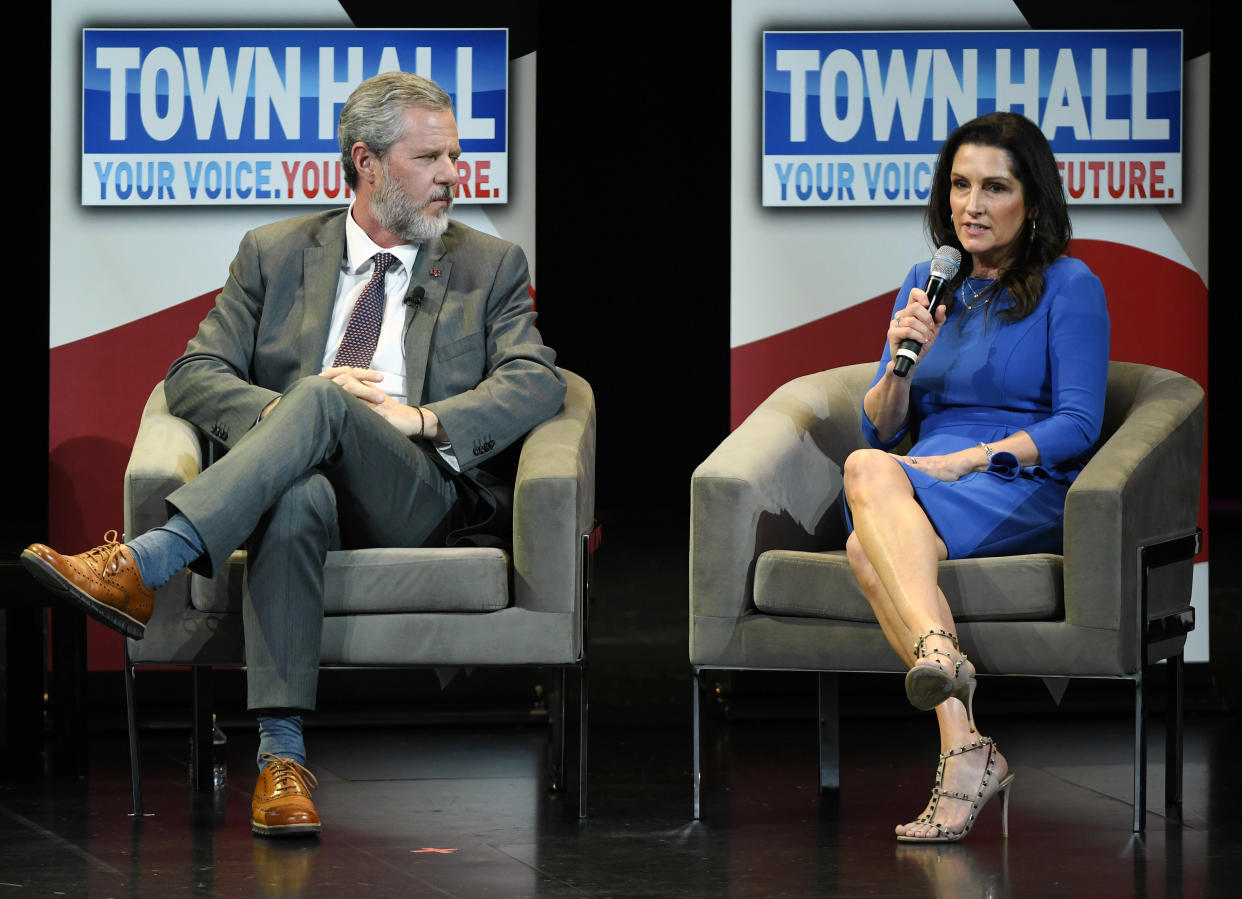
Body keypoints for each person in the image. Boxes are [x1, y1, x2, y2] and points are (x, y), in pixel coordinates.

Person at [22, 72, 566, 837]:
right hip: (293, 486)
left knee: (322, 398)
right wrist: (291, 413)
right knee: (300, 479)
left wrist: (418, 418)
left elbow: (537, 381)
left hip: (415, 496)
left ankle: (144, 564)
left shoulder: (490, 263)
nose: (453, 173)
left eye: (455, 154)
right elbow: (192, 374)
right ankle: (282, 761)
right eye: (430, 156)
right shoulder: (274, 253)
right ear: (366, 162)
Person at [842, 111, 1109, 843]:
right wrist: (902, 358)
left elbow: (1080, 423)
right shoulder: (929, 282)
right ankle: (964, 742)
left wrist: (970, 457)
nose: (971, 204)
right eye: (960, 185)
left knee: (867, 524)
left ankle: (947, 690)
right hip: (926, 475)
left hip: (1020, 479)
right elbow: (881, 424)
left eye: (994, 186)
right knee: (869, 504)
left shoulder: (1070, 285)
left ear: (1033, 199)